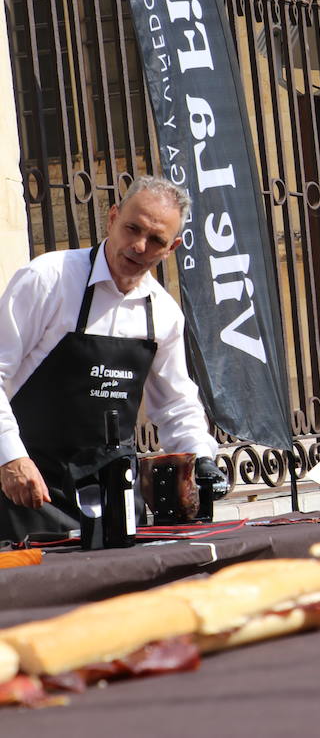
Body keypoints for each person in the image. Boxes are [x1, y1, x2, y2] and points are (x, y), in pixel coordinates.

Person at [0, 176, 226, 542]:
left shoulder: (164, 314)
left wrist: (201, 459)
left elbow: (176, 405)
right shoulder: (49, 279)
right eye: (132, 229)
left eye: (156, 240)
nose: (138, 246)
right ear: (113, 217)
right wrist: (9, 457)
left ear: (173, 248)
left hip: (114, 497)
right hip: (29, 490)